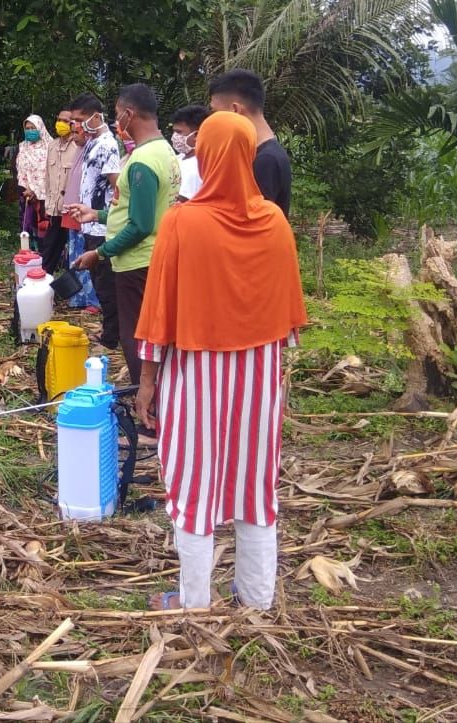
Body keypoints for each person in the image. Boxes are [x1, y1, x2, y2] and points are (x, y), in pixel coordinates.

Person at [132, 112, 307, 611]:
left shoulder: (184, 223)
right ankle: (256, 598)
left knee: (193, 480)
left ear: (205, 156)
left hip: (196, 378)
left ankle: (194, 603)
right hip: (259, 380)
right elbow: (287, 316)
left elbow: (159, 312)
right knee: (255, 483)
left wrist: (147, 384)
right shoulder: (273, 221)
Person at [69, 84, 180, 385]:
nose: (117, 122)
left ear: (129, 115)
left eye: (118, 115)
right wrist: (97, 214)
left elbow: (140, 225)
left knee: (136, 338)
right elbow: (139, 211)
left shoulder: (142, 162)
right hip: (156, 256)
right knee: (151, 336)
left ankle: (147, 405)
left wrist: (100, 252)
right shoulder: (165, 151)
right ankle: (155, 397)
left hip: (136, 263)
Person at [67, 93, 121, 345]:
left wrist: (108, 216)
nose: (75, 125)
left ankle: (112, 335)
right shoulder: (92, 141)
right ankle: (111, 329)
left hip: (102, 226)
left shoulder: (108, 145)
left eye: (79, 120)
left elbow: (116, 186)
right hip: (91, 221)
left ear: (96, 117)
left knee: (106, 284)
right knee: (100, 282)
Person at [208, 69, 291, 218]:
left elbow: (250, 222)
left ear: (235, 110)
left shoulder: (266, 160)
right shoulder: (259, 153)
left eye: (215, 112)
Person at [40, 109, 81, 274]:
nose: (60, 124)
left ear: (72, 124)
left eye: (65, 121)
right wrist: (47, 206)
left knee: (74, 251)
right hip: (55, 209)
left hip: (72, 210)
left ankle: (74, 290)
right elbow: (48, 179)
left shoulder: (78, 147)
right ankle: (45, 286)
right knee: (50, 249)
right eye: (59, 120)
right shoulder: (52, 145)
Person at [15, 115, 50, 239]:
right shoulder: (22, 147)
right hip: (26, 195)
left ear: (40, 128)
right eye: (27, 128)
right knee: (27, 230)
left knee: (45, 230)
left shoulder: (50, 147)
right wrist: (26, 190)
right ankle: (29, 256)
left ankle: (46, 257)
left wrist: (37, 191)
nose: (30, 131)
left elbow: (52, 173)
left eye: (33, 128)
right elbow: (20, 171)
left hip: (46, 197)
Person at [169, 105, 209, 201]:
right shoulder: (178, 158)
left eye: (179, 132)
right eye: (174, 132)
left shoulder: (198, 165)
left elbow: (183, 199)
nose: (175, 136)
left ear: (196, 135)